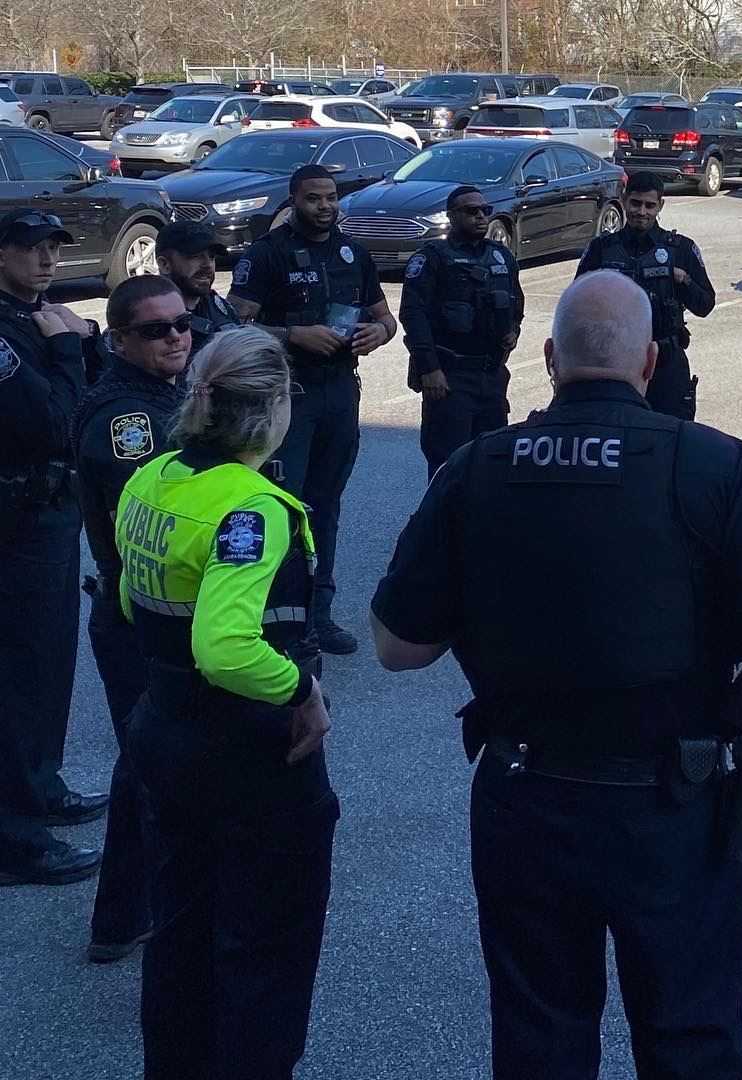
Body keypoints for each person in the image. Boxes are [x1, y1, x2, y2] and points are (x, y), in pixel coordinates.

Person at [370, 270, 742, 1079]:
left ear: (548, 357)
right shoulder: (711, 465)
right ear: (651, 362)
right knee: (689, 1034)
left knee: (541, 1033)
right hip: (670, 801)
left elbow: (399, 646)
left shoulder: (477, 468)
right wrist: (724, 716)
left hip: (526, 793)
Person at [115, 326, 338, 1076]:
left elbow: (128, 595)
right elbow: (227, 645)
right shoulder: (251, 509)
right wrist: (301, 691)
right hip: (245, 750)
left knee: (179, 933)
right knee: (266, 952)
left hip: (162, 729)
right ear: (274, 409)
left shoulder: (153, 478)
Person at [227, 163, 396, 655]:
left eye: (330, 198)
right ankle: (270, 619)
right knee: (281, 506)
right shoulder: (266, 255)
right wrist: (292, 335)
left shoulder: (354, 253)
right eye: (313, 198)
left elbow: (386, 319)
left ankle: (318, 615)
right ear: (293, 200)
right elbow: (232, 325)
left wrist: (376, 335)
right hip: (286, 398)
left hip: (340, 394)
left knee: (326, 507)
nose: (325, 206)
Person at [71, 275, 192, 959]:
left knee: (151, 764)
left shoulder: (162, 392)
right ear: (119, 338)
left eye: (182, 324)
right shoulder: (125, 416)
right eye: (157, 329)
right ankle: (123, 917)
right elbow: (152, 512)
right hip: (134, 617)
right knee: (151, 766)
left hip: (154, 612)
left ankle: (128, 912)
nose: (177, 336)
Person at [0, 208, 107, 887]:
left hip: (51, 511)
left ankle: (40, 785)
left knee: (51, 660)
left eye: (52, 248)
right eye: (30, 248)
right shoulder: (12, 334)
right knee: (19, 673)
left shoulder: (40, 316)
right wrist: (70, 348)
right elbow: (58, 422)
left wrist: (83, 340)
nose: (46, 259)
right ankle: (16, 836)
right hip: (17, 515)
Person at [399, 184, 525, 477]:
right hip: (450, 377)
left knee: (491, 462)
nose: (481, 216)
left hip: (491, 376)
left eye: (485, 210)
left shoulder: (501, 257)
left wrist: (514, 330)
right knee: (448, 466)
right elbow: (413, 316)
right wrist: (429, 369)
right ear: (451, 216)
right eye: (471, 211)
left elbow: (517, 302)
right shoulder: (432, 257)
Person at [574, 171, 715, 420]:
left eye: (650, 205)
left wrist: (684, 280)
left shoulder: (680, 248)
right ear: (624, 199)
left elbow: (705, 305)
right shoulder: (602, 249)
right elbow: (577, 303)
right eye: (635, 203)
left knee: (671, 442)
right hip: (614, 364)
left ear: (660, 205)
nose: (642, 212)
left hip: (666, 363)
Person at [155, 220, 240, 357]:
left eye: (211, 257)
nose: (207, 265)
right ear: (164, 264)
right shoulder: (146, 317)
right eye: (194, 256)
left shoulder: (218, 306)